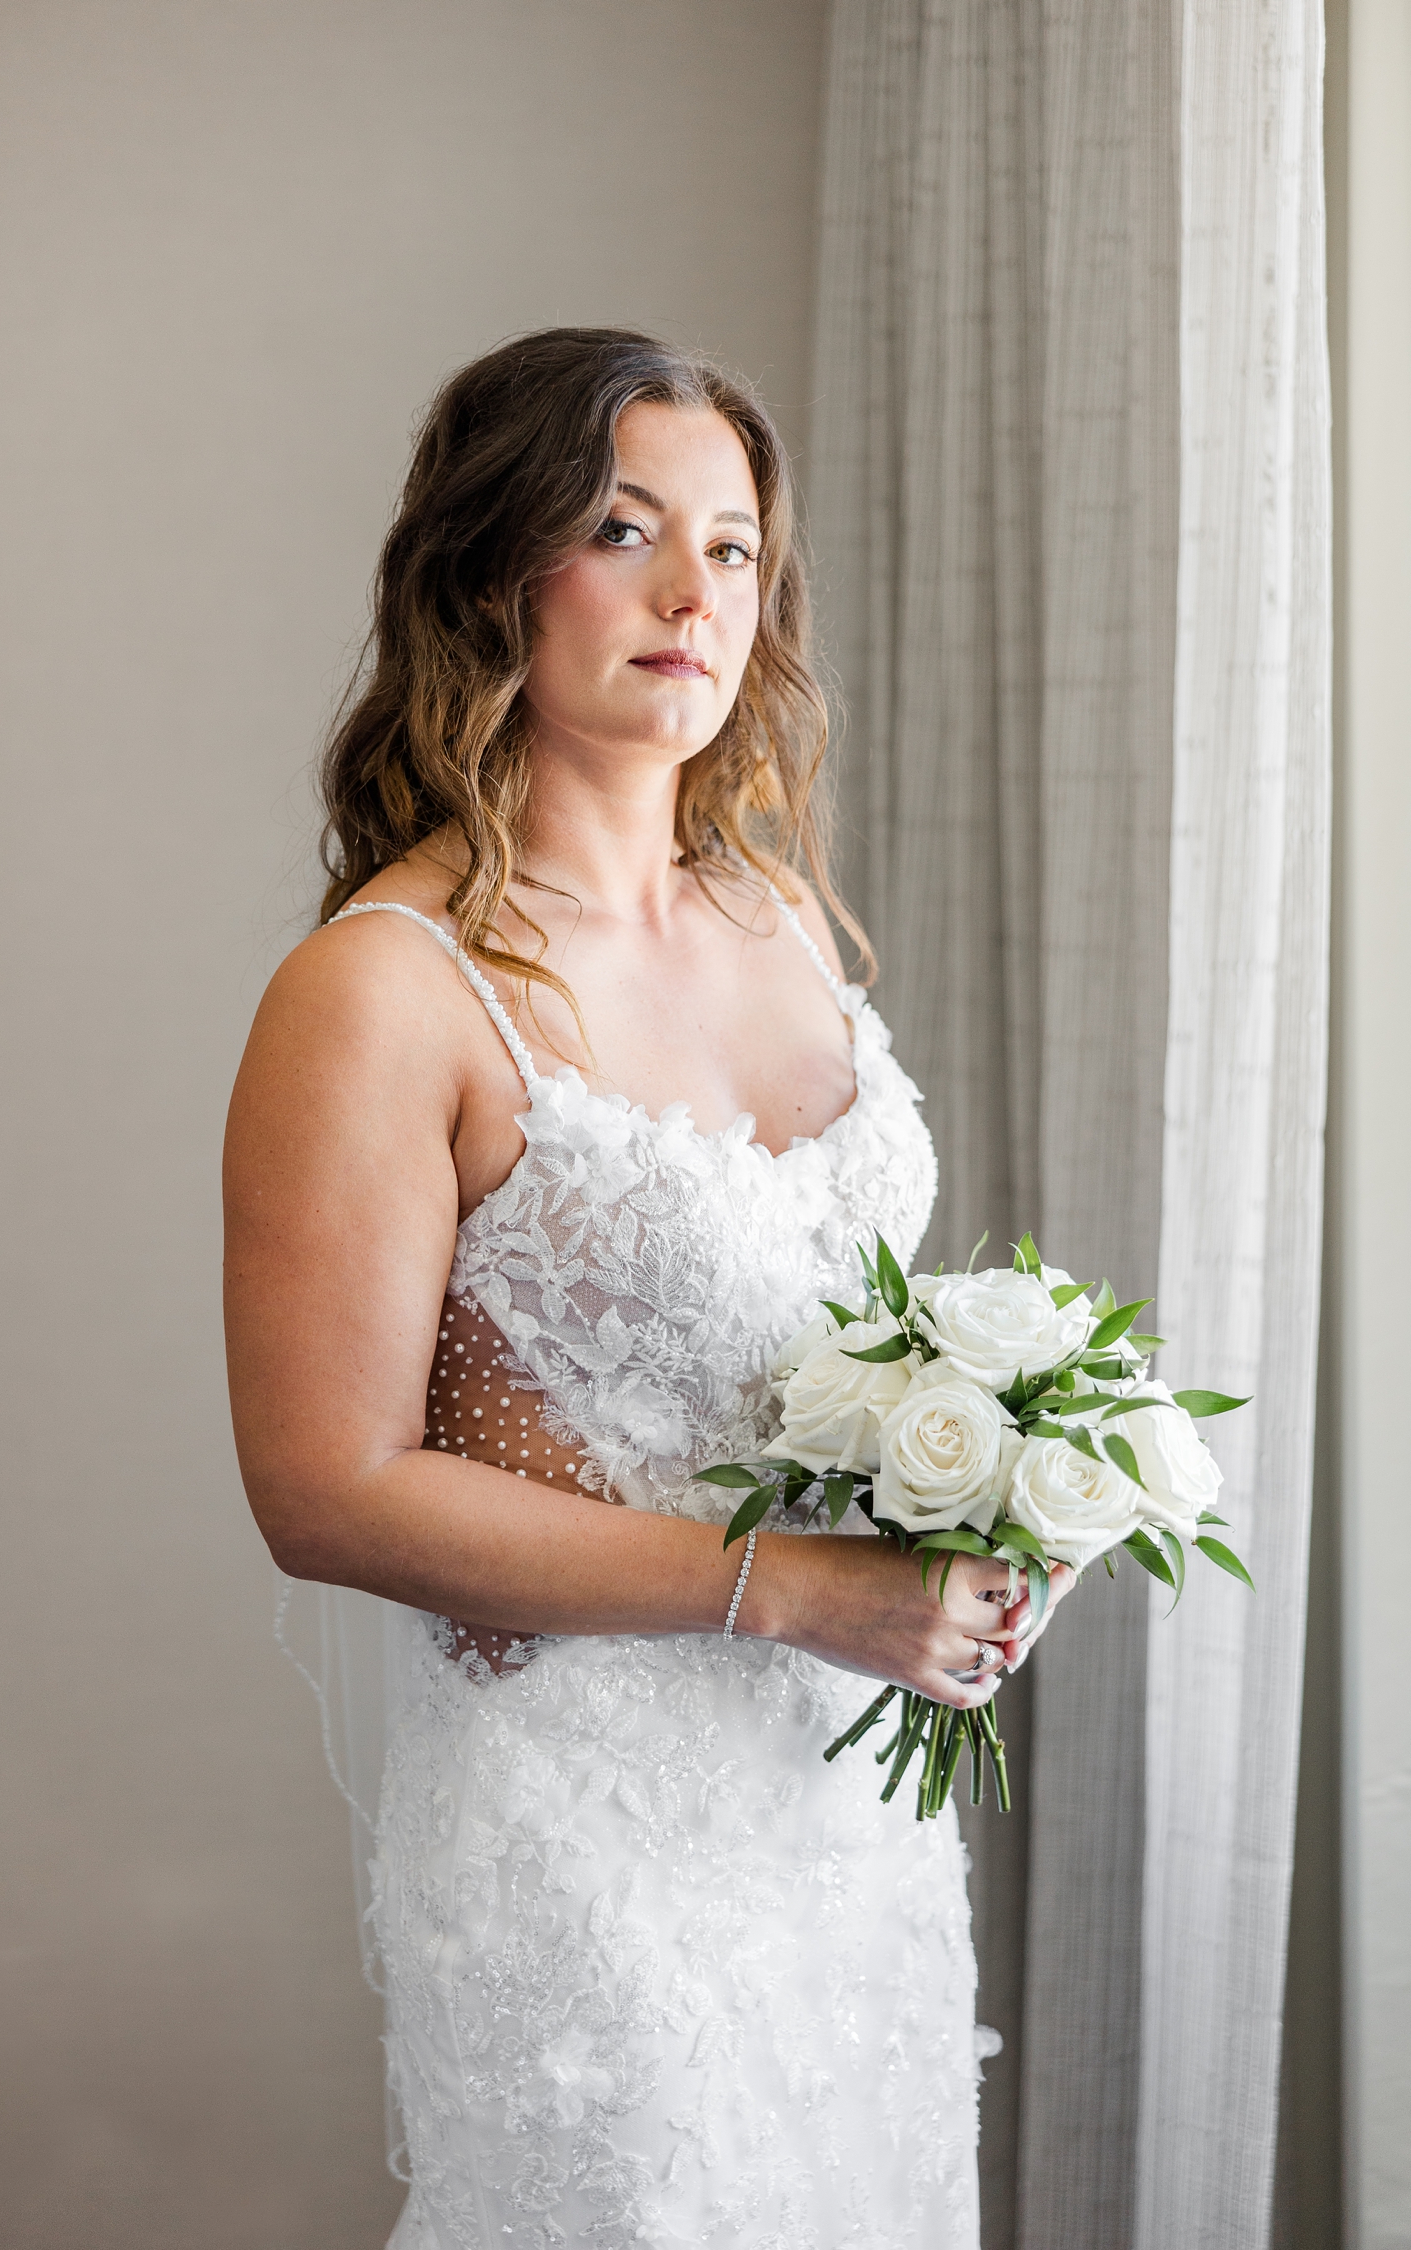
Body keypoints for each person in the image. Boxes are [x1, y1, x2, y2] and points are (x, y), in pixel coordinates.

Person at [223, 328, 1071, 2250]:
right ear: (493, 566)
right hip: (592, 1842)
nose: (698, 594)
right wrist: (793, 1584)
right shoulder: (382, 992)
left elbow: (827, 1350)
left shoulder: (779, 914)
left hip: (843, 1803)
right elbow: (325, 1485)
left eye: (738, 546)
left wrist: (987, 1502)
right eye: (627, 531)